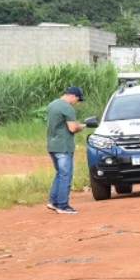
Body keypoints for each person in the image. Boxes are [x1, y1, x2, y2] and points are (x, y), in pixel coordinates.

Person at [45, 86, 86, 215]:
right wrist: (82, 126)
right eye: (78, 100)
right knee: (65, 175)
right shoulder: (67, 108)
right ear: (73, 96)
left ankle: (53, 201)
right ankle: (63, 205)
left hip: (52, 145)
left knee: (59, 174)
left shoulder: (52, 105)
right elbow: (72, 128)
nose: (77, 103)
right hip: (64, 146)